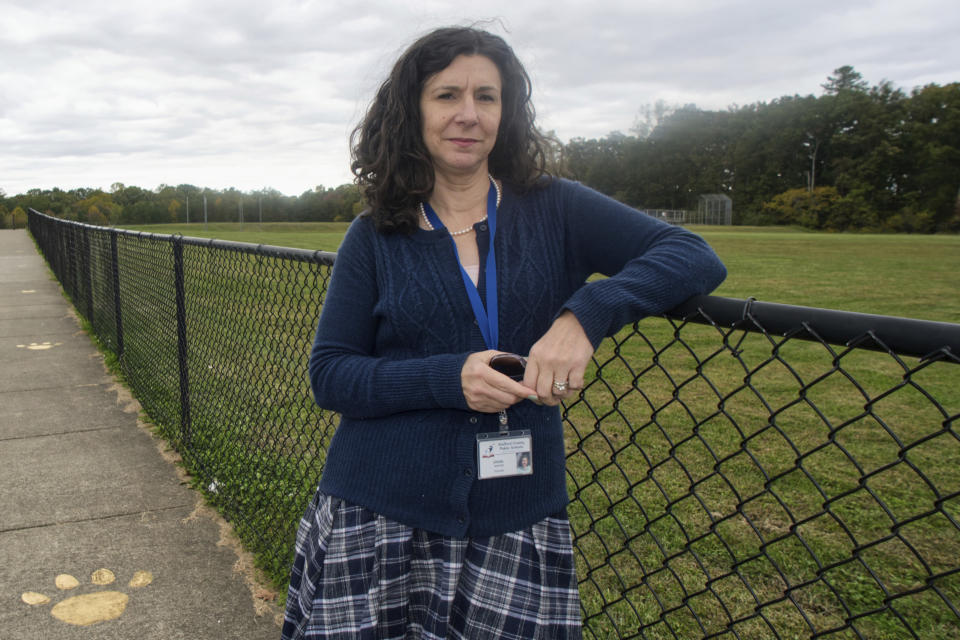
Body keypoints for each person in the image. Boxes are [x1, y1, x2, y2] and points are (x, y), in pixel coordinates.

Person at [282, 26, 726, 640]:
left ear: (506, 111)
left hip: (517, 514)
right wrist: (446, 378)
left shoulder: (556, 209)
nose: (468, 115)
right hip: (378, 509)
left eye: (486, 97)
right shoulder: (375, 236)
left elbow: (690, 254)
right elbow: (331, 375)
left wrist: (586, 314)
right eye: (447, 96)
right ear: (413, 111)